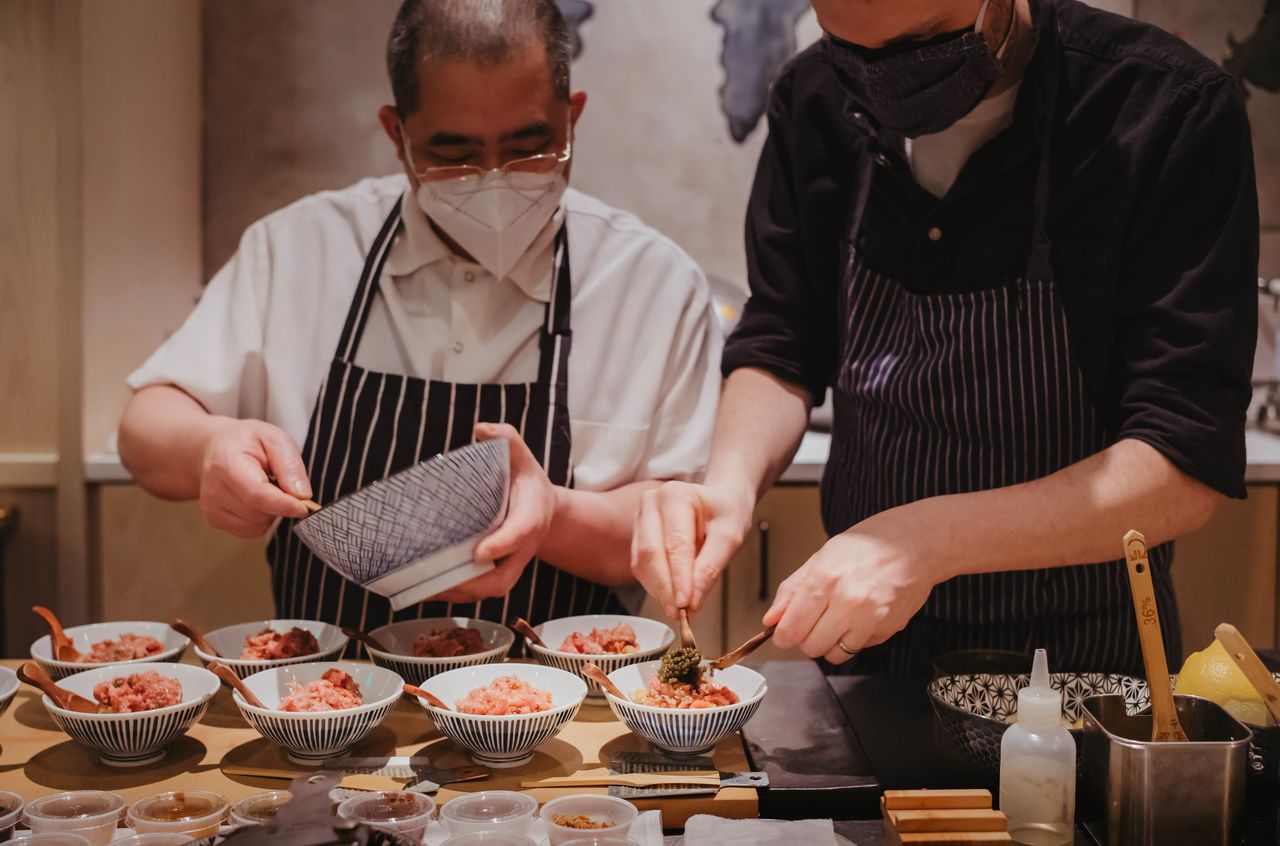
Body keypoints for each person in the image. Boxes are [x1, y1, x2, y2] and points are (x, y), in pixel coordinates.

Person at [632, 0, 1258, 675]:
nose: (886, 78)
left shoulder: (1162, 107)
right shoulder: (813, 96)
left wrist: (927, 540)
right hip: (867, 652)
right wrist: (728, 488)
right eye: (853, 53)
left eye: (927, 43)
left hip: (1084, 659)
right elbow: (784, 339)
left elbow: (1182, 463)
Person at [118, 0, 722, 633]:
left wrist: (551, 515)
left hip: (563, 717)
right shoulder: (300, 248)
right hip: (325, 712)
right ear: (397, 135)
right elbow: (144, 428)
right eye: (453, 153)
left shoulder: (651, 281)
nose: (493, 180)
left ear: (572, 120)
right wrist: (210, 448)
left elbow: (673, 522)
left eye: (528, 146)